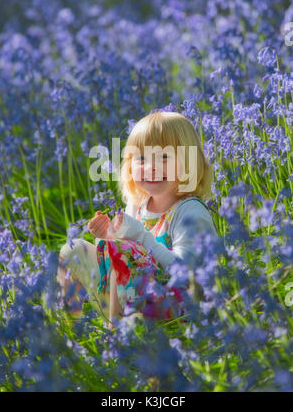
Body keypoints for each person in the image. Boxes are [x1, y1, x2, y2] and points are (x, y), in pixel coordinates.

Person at [57, 111, 219, 328]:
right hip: (131, 303)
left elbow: (187, 275)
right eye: (141, 158)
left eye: (164, 157)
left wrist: (140, 238)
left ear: (188, 162)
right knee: (72, 250)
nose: (151, 167)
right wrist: (107, 237)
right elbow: (118, 263)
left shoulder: (190, 211)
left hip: (174, 314)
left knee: (123, 250)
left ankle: (117, 342)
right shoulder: (138, 206)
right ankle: (70, 334)